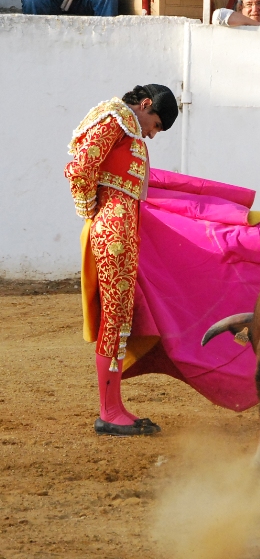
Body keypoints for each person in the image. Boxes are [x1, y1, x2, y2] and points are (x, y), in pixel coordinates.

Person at [64, 84, 178, 436]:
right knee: (114, 317)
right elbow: (80, 169)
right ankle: (109, 411)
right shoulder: (116, 119)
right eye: (156, 124)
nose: (153, 133)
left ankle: (113, 407)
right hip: (113, 233)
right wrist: (90, 212)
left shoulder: (127, 128)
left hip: (122, 232)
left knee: (120, 316)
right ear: (145, 105)